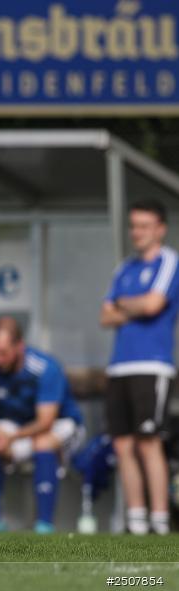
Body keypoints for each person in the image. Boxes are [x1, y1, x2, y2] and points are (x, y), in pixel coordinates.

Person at [99, 198, 177, 535]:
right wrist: (135, 305)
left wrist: (124, 305)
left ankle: (160, 519)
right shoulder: (124, 268)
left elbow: (154, 304)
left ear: (160, 229)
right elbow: (105, 316)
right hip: (119, 366)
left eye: (145, 226)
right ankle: (136, 519)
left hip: (152, 365)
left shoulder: (169, 261)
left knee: (148, 442)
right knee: (122, 445)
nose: (138, 233)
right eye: (134, 226)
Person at [0, 317, 85, 534]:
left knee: (43, 444)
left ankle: (44, 524)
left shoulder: (45, 368)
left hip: (62, 425)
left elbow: (46, 421)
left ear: (19, 347)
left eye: (3, 353)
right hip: (19, 426)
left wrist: (10, 438)